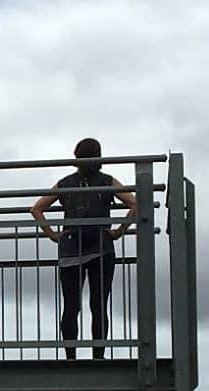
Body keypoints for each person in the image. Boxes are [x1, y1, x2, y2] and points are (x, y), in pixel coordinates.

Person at [30, 139, 137, 360]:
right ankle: (98, 356)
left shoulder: (65, 183)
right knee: (99, 305)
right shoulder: (107, 181)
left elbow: (36, 208)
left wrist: (53, 235)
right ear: (99, 157)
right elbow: (135, 203)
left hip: (71, 249)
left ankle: (70, 357)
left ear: (76, 158)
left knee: (71, 306)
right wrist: (119, 231)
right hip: (101, 247)